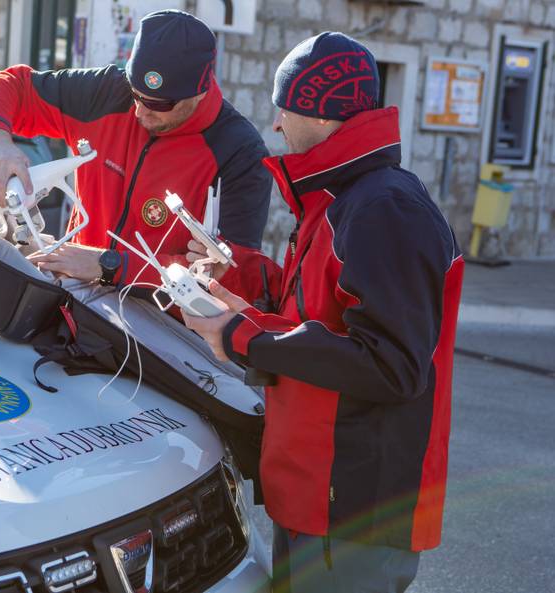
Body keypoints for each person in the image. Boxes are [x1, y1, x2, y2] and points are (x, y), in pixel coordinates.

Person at [182, 32, 464, 593]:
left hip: (353, 509)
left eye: (283, 107)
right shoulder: (349, 197)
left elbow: (391, 365)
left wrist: (243, 339)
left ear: (319, 111)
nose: (279, 125)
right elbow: (314, 308)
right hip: (322, 494)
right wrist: (237, 272)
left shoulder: (381, 206)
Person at [0, 9, 271, 290]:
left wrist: (109, 266)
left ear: (200, 92)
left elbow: (233, 277)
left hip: (164, 334)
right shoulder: (107, 92)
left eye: (158, 104)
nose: (139, 112)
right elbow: (3, 86)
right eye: (136, 94)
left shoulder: (239, 152)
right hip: (76, 302)